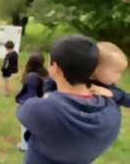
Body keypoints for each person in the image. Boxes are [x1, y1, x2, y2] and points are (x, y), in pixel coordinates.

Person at [17, 35, 121, 164]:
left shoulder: (39, 109)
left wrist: (47, 95)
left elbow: (22, 111)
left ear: (55, 67)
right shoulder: (112, 112)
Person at [42, 41, 130, 107]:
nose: (120, 76)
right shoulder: (77, 75)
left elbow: (127, 99)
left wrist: (111, 93)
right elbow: (52, 79)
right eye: (117, 72)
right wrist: (48, 92)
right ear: (96, 67)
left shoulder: (107, 86)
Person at [15, 52, 48, 151]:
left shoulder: (31, 76)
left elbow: (30, 94)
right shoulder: (45, 73)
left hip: (32, 103)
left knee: (26, 125)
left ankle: (25, 146)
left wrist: (20, 100)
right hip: (44, 102)